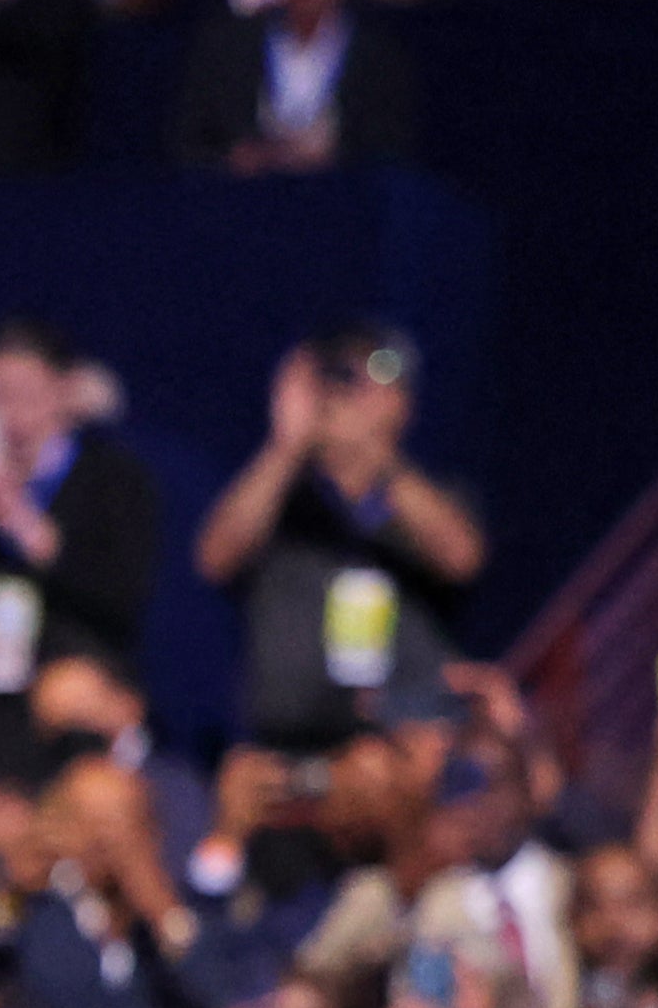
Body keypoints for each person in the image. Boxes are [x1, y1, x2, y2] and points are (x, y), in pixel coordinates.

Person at [198, 321, 484, 757]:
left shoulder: (431, 495)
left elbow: (461, 557)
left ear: (405, 403)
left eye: (374, 375)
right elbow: (214, 558)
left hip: (405, 737)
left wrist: (375, 456)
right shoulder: (280, 503)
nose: (350, 391)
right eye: (339, 375)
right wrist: (285, 445)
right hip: (289, 744)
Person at [0, 316, 159, 746]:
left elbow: (118, 599)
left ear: (66, 391)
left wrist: (19, 519)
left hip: (74, 689)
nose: (13, 414)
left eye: (27, 395)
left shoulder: (113, 477)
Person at [168, 0, 415, 175]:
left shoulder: (378, 61)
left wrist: (332, 162)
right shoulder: (226, 46)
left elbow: (392, 161)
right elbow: (187, 146)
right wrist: (234, 158)